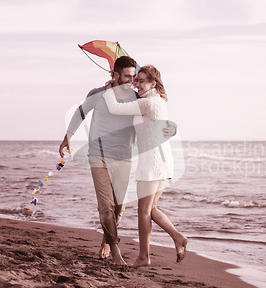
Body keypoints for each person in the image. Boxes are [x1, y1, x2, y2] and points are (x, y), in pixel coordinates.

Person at [59, 56, 176, 265]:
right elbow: (80, 113)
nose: (132, 81)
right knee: (106, 205)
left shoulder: (137, 98)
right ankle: (115, 249)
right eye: (127, 76)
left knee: (119, 208)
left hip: (124, 156)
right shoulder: (97, 94)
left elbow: (156, 115)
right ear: (114, 75)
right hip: (99, 155)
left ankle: (107, 240)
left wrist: (172, 128)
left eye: (134, 77)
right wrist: (67, 137)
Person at [103, 65, 187, 267]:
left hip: (152, 162)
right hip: (161, 160)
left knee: (143, 211)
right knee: (151, 209)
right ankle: (177, 238)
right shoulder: (156, 101)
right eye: (136, 80)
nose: (136, 84)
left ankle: (144, 256)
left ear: (153, 83)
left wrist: (108, 90)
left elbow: (114, 108)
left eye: (141, 81)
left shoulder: (149, 103)